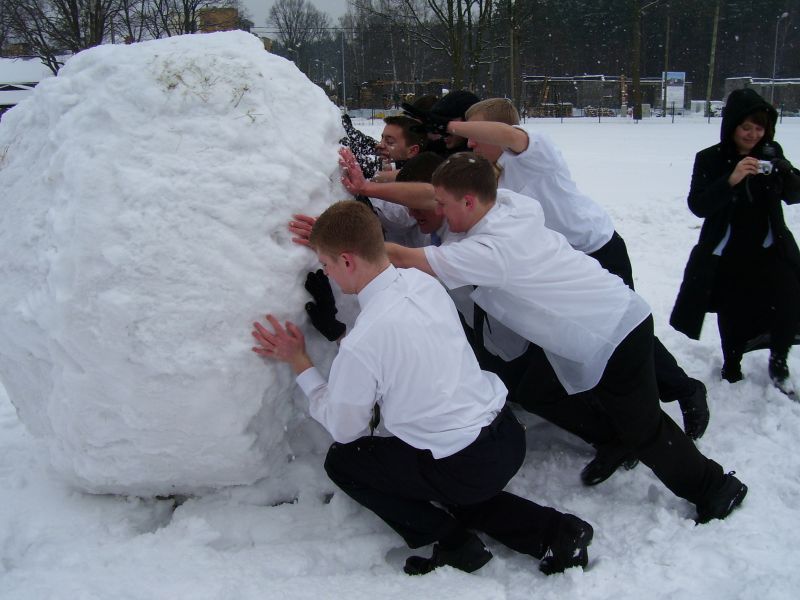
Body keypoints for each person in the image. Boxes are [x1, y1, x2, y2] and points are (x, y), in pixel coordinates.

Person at [386, 153, 747, 525]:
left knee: (645, 427)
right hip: (602, 320)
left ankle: (716, 487)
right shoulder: (509, 205)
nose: (437, 210)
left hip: (612, 331)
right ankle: (615, 441)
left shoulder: (490, 252)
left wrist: (347, 241)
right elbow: (431, 194)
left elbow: (401, 256)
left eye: (443, 205)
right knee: (560, 393)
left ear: (468, 201)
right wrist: (366, 187)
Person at [255, 200, 595, 576]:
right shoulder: (422, 282)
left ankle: (453, 542)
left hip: (465, 465)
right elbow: (394, 350)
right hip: (507, 438)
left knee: (345, 462)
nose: (328, 273)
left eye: (329, 263)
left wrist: (300, 361)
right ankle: (558, 533)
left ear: (348, 261)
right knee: (455, 482)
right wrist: (340, 234)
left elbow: (346, 428)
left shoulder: (365, 342)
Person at [671, 88, 800, 397]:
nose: (753, 134)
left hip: (771, 247)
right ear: (732, 127)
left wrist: (786, 171)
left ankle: (779, 361)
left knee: (787, 301)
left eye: (759, 128)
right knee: (733, 310)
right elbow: (698, 205)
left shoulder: (771, 152)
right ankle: (732, 362)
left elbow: (795, 195)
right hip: (727, 251)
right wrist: (731, 179)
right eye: (746, 127)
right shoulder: (710, 159)